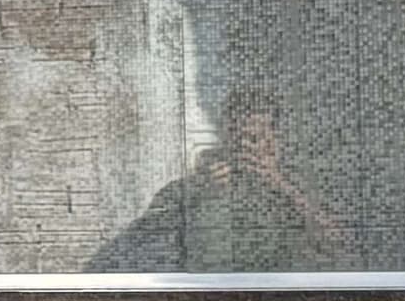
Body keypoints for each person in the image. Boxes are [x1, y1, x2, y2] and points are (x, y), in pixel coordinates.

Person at [94, 86, 353, 273]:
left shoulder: (301, 185)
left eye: (253, 138)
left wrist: (279, 184)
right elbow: (147, 240)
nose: (243, 147)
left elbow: (338, 240)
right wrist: (200, 192)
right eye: (236, 138)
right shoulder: (195, 186)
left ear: (274, 140)